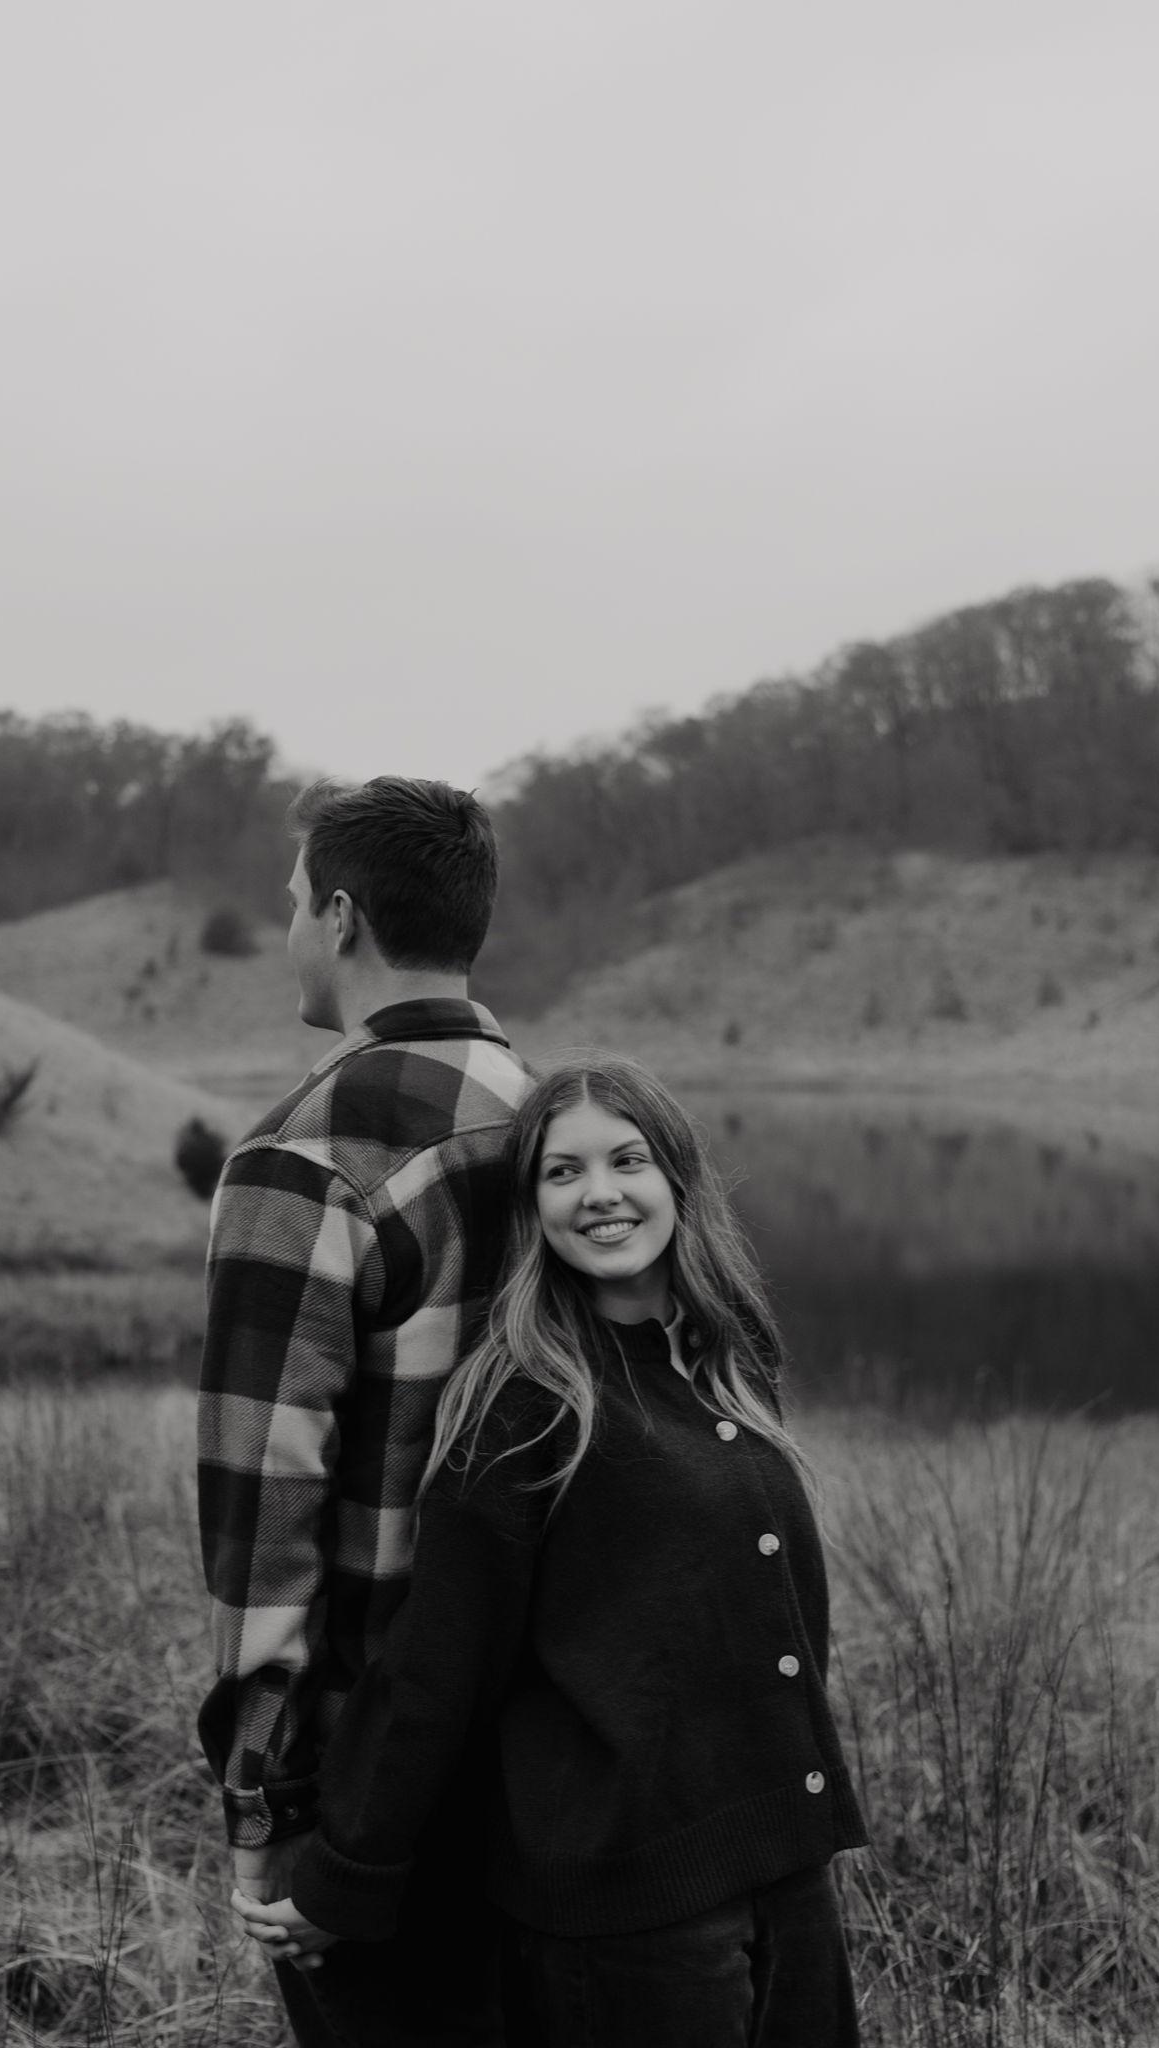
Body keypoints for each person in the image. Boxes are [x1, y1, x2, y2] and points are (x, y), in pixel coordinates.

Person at [235, 1052, 870, 2047]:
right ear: (532, 1210)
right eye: (562, 1172)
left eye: (626, 1159)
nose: (599, 1193)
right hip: (632, 1916)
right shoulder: (524, 1407)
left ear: (677, 1177)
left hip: (785, 1871)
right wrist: (344, 1873)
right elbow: (439, 1666)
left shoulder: (727, 1357)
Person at [196, 775, 531, 2046]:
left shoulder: (304, 1154)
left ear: (340, 917)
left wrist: (263, 1799)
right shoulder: (561, 1123)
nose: (290, 930)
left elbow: (262, 1502)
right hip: (559, 1728)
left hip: (375, 1761)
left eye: (295, 903)